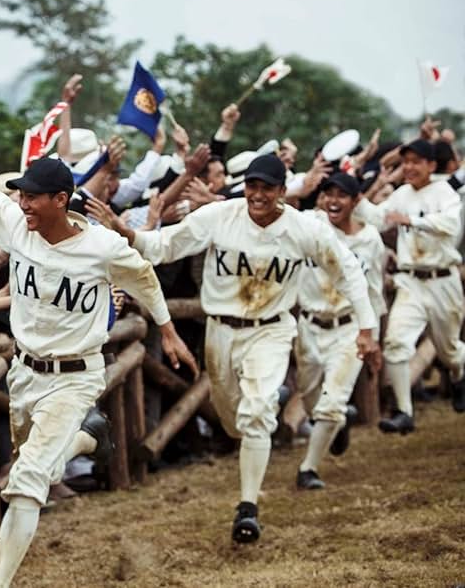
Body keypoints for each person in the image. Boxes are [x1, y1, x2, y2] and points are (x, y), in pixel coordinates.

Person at [0, 101, 197, 587]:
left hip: (76, 375)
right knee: (40, 468)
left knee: (27, 482)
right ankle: (87, 437)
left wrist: (169, 330)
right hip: (25, 373)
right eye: (21, 195)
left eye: (33, 197)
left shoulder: (101, 247)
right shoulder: (17, 226)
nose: (23, 204)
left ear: (61, 199)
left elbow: (143, 278)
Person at [96, 154, 378, 544]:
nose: (257, 195)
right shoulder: (221, 216)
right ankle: (264, 417)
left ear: (282, 192)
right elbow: (166, 246)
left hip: (271, 329)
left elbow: (347, 270)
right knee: (233, 420)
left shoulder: (304, 228)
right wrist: (128, 234)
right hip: (221, 331)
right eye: (252, 186)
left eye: (267, 188)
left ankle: (248, 508)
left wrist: (366, 327)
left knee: (256, 413)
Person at [354, 139, 465, 431]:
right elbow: (379, 218)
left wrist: (412, 221)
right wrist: (357, 197)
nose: (410, 167)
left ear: (431, 165)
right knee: (396, 343)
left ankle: (458, 375)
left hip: (443, 280)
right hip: (411, 280)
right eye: (406, 162)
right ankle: (404, 411)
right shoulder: (402, 194)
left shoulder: (444, 192)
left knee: (449, 350)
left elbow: (451, 225)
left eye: (416, 162)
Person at [294, 173, 386, 490]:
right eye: (328, 194)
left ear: (355, 200)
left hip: (347, 328)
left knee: (331, 402)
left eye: (341, 195)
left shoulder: (370, 239)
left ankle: (308, 468)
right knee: (311, 400)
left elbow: (373, 293)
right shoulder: (311, 224)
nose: (333, 201)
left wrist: (372, 338)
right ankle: (339, 422)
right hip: (309, 325)